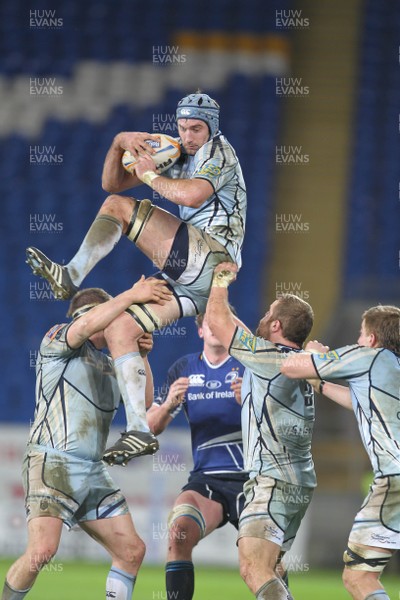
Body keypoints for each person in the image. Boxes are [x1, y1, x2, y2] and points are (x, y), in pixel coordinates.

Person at [26, 91, 247, 464]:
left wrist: (147, 175)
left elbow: (193, 195)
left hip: (211, 256)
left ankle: (71, 275)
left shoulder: (219, 154)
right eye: (183, 127)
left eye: (197, 128)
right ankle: (139, 431)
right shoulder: (179, 152)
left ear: (212, 127)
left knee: (119, 211)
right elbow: (112, 184)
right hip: (194, 282)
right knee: (120, 331)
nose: (189, 135)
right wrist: (118, 144)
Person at [1, 276, 171, 600]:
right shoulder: (58, 340)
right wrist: (132, 295)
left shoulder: (112, 364)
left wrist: (143, 356)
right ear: (93, 315)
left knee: (132, 550)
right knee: (42, 552)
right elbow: (87, 326)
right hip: (52, 463)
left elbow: (146, 400)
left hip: (92, 471)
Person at [205, 262, 316, 600]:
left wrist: (219, 279)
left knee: (254, 568)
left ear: (277, 324)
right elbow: (238, 332)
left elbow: (219, 323)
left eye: (269, 314)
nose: (263, 318)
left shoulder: (270, 359)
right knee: (274, 567)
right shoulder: (291, 362)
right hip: (298, 480)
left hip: (273, 479)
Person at [281, 304, 400, 600]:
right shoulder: (391, 368)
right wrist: (320, 384)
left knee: (359, 577)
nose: (358, 340)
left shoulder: (368, 356)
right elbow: (362, 402)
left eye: (361, 334)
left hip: (395, 478)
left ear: (371, 338)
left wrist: (313, 354)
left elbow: (290, 367)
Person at [146, 312, 245, 600]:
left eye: (221, 323)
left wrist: (250, 400)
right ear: (200, 331)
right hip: (207, 482)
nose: (214, 328)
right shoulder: (184, 368)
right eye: (208, 324)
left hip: (254, 479)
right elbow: (152, 427)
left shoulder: (248, 366)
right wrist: (167, 406)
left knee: (264, 560)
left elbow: (279, 421)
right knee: (179, 531)